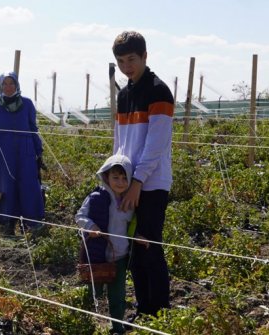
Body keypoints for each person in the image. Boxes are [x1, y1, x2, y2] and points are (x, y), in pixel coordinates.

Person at [112, 31, 174, 318]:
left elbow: (156, 144)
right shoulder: (124, 95)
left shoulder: (159, 91)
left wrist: (137, 181)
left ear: (145, 56)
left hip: (152, 183)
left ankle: (160, 310)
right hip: (128, 183)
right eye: (121, 61)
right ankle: (143, 307)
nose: (127, 66)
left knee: (149, 244)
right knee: (133, 251)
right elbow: (120, 142)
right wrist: (117, 177)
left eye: (132, 59)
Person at [75, 154, 137, 334]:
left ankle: (117, 328)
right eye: (115, 177)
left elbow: (133, 225)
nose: (120, 182)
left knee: (117, 295)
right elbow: (80, 216)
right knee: (93, 290)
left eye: (125, 177)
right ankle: (82, 322)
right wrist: (91, 226)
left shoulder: (130, 201)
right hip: (97, 256)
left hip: (120, 256)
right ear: (106, 177)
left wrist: (138, 236)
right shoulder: (96, 197)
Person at [0, 72, 44, 236]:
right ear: (0, 86)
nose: (8, 87)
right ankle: (9, 222)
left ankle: (29, 221)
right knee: (7, 186)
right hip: (4, 153)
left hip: (26, 151)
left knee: (28, 185)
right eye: (5, 84)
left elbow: (33, 128)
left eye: (11, 83)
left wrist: (39, 151)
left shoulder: (27, 104)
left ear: (17, 85)